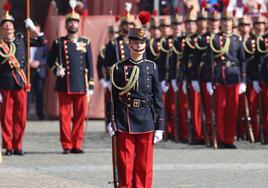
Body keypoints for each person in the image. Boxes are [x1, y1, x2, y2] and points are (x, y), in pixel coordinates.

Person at [108, 26, 164, 188]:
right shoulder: (118, 68)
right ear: (129, 44)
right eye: (135, 42)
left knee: (144, 164)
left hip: (146, 118)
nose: (138, 45)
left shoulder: (151, 67)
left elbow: (158, 98)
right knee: (125, 163)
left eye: (141, 42)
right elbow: (113, 98)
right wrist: (111, 121)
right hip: (125, 119)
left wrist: (160, 125)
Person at [47, 4, 94, 154]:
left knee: (80, 117)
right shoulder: (58, 42)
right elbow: (50, 61)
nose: (72, 24)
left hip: (80, 84)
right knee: (65, 117)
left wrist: (91, 85)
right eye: (70, 21)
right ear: (66, 24)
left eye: (75, 21)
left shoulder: (85, 42)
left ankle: (77, 144)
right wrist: (57, 70)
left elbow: (90, 64)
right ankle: (66, 144)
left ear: (78, 24)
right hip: (64, 84)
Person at [0, 4, 45, 156]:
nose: (7, 27)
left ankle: (18, 144)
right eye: (4, 25)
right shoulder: (0, 45)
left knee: (21, 117)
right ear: (1, 29)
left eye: (9, 24)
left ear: (13, 27)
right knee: (6, 117)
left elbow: (41, 42)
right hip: (4, 84)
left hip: (20, 82)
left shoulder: (22, 40)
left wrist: (32, 29)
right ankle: (8, 146)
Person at [204, 4, 246, 149]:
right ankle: (220, 138)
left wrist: (244, 81)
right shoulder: (215, 39)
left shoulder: (237, 39)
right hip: (220, 77)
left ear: (232, 23)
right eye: (224, 21)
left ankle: (229, 139)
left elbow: (242, 61)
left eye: (229, 21)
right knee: (220, 110)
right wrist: (209, 81)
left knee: (232, 110)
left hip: (234, 77)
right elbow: (209, 61)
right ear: (221, 23)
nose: (227, 23)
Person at [28, 23, 49, 120]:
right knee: (27, 95)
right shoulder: (26, 41)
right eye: (33, 31)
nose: (35, 33)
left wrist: (39, 63)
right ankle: (25, 114)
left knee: (39, 95)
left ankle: (40, 114)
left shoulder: (43, 44)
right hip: (27, 73)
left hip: (39, 72)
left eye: (37, 31)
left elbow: (48, 58)